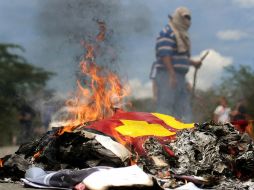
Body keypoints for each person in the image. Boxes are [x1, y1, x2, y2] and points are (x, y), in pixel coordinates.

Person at [150, 7, 201, 122]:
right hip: (167, 75)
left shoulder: (182, 35)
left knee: (183, 109)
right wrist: (172, 75)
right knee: (166, 108)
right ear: (178, 17)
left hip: (180, 77)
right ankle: (162, 136)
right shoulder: (168, 32)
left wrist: (194, 63)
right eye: (185, 17)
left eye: (189, 17)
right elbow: (165, 54)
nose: (188, 20)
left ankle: (183, 135)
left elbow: (180, 57)